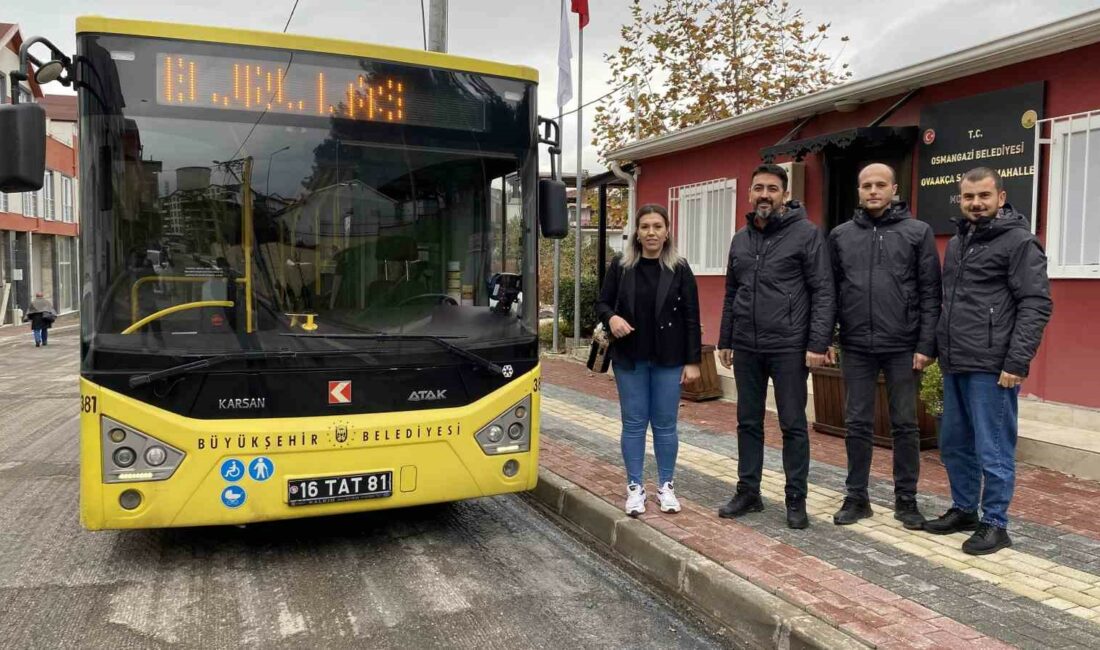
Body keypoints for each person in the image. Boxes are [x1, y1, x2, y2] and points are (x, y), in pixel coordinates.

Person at [923, 167, 1052, 555]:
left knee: (992, 448)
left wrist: (1016, 361)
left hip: (993, 366)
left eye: (983, 196)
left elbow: (1036, 303)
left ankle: (996, 523)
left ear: (1001, 196)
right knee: (954, 443)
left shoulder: (1019, 242)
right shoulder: (961, 241)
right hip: (955, 361)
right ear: (960, 201)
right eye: (968, 197)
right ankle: (964, 509)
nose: (975, 203)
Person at [716, 164, 835, 529]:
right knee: (747, 422)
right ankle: (748, 491)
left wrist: (818, 342)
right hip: (747, 347)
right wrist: (726, 337)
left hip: (788, 346)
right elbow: (733, 291)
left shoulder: (806, 235)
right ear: (749, 194)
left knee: (793, 424)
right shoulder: (740, 239)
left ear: (784, 194)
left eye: (772, 188)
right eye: (758, 188)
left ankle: (795, 498)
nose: (764, 194)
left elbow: (823, 291)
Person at [827, 163, 941, 529]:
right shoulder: (841, 236)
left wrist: (926, 344)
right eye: (866, 185)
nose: (873, 191)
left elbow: (930, 292)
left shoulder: (917, 232)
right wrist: (828, 337)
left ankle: (906, 500)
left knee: (905, 424)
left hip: (903, 344)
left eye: (880, 185)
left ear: (894, 188)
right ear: (858, 191)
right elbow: (830, 291)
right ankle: (856, 497)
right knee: (856, 422)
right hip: (857, 344)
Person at [596, 204, 702, 517]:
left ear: (667, 231)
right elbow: (601, 302)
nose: (651, 232)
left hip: (669, 359)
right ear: (637, 233)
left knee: (666, 425)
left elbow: (691, 317)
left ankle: (666, 485)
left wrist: (693, 361)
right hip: (630, 358)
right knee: (633, 423)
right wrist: (612, 317)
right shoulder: (621, 265)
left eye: (657, 226)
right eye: (645, 227)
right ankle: (634, 487)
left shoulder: (679, 268)